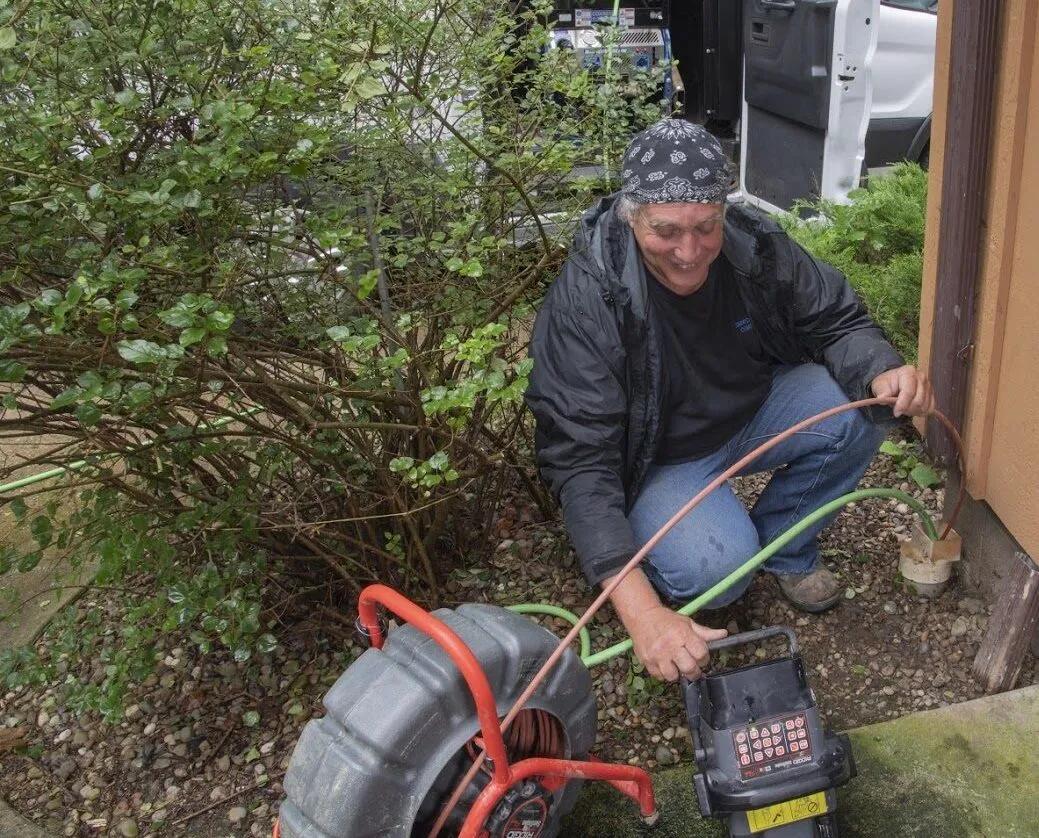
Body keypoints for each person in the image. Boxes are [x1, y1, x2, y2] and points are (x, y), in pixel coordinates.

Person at [524, 119, 934, 683]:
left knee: (862, 405)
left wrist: (883, 367)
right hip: (655, 461)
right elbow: (580, 460)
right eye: (666, 230)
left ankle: (786, 550)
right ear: (631, 214)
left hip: (752, 414)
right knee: (718, 574)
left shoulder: (755, 245)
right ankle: (719, 552)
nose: (689, 252)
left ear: (723, 212)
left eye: (706, 227)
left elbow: (836, 318)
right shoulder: (588, 302)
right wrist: (643, 615)